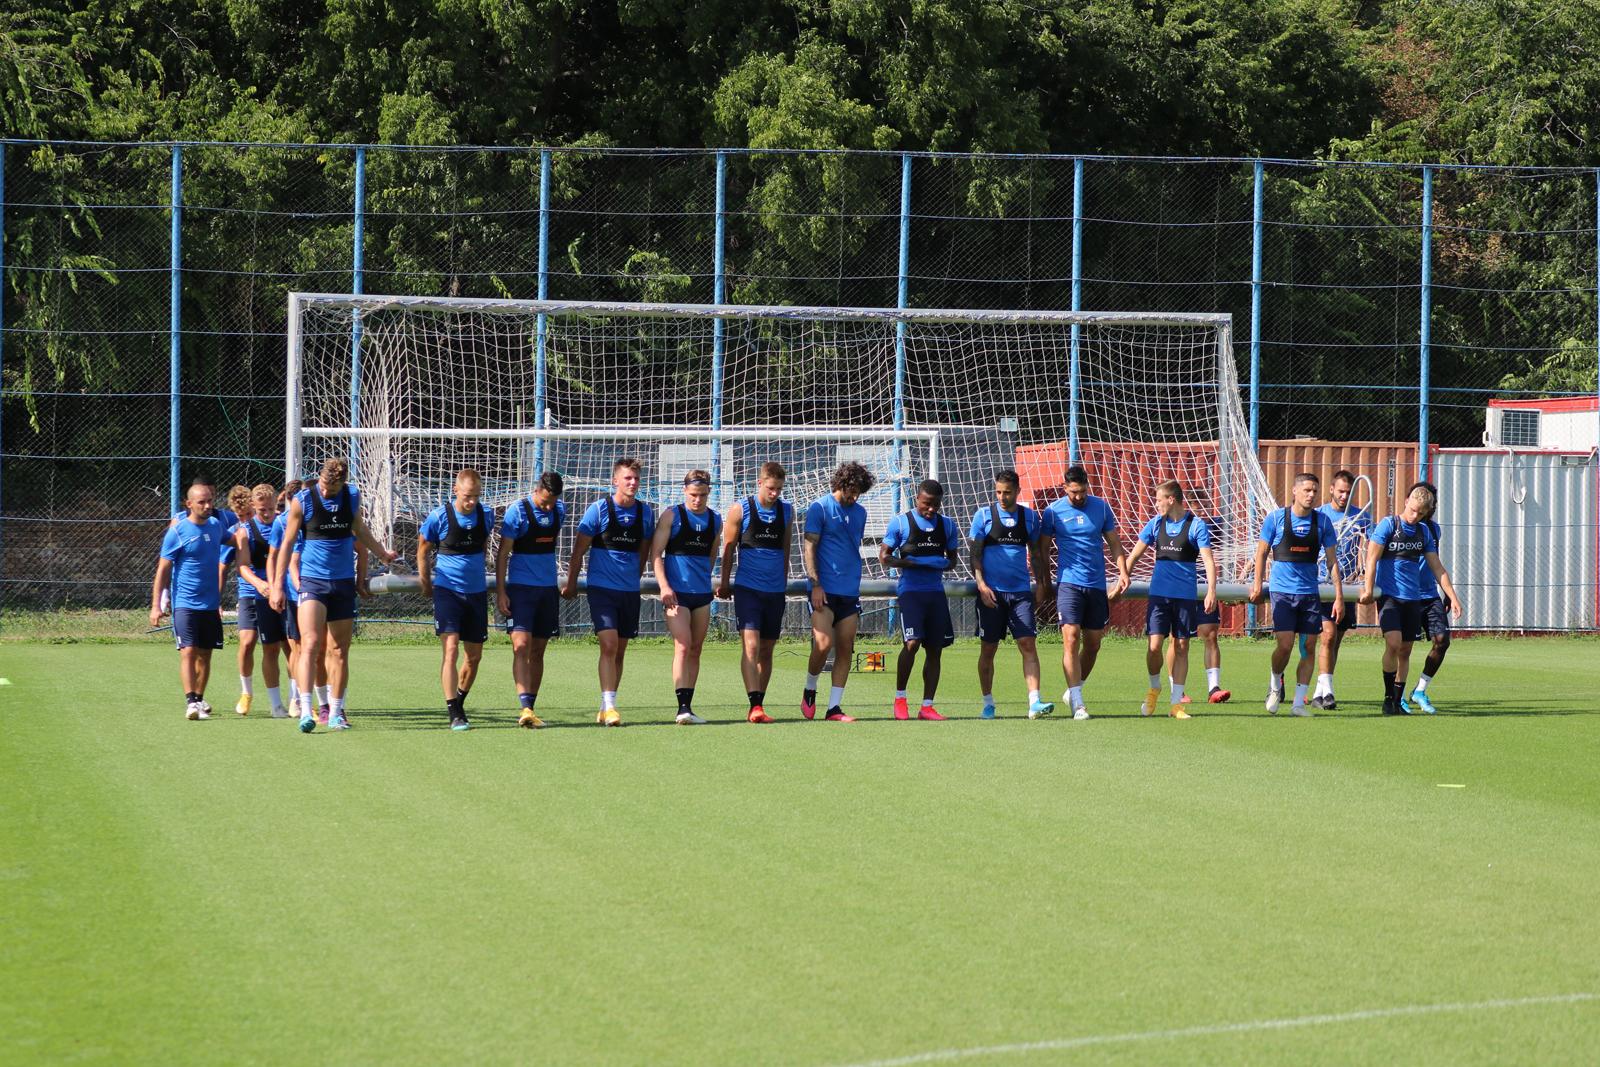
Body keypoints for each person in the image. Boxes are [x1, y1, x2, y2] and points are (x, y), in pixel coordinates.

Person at [268, 457, 398, 733]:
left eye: (333, 488)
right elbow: (287, 544)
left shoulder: (351, 496)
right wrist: (277, 585)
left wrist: (382, 554)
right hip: (313, 582)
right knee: (310, 644)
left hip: (342, 583)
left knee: (339, 650)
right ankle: (306, 710)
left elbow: (360, 529)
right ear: (320, 478)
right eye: (324, 486)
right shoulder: (303, 500)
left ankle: (337, 712)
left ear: (343, 483)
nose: (327, 492)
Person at [564, 458, 655, 726]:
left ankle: (606, 706)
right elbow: (578, 551)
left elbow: (644, 552)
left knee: (620, 651)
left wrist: (633, 579)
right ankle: (611, 705)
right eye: (627, 478)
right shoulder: (598, 509)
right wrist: (571, 583)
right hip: (602, 589)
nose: (633, 483)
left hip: (629, 591)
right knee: (609, 645)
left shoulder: (646, 513)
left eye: (636, 478)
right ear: (615, 480)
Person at [1359, 483, 1463, 715]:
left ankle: (1398, 701)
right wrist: (1368, 589)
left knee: (1405, 650)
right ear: (1406, 502)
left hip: (1412, 599)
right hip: (1390, 597)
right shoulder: (1389, 525)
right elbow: (1371, 558)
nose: (1414, 516)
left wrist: (1453, 597)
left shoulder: (1424, 532)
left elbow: (1437, 567)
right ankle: (1388, 698)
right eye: (1413, 510)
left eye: (1420, 513)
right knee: (1393, 643)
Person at [1039, 465, 1130, 720]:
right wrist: (1045, 581)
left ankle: (1073, 689)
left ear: (1088, 486)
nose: (1078, 497)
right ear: (1065, 488)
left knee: (1093, 644)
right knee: (1071, 638)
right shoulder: (1053, 512)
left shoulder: (1101, 508)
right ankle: (1078, 703)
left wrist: (1123, 572)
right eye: (1073, 492)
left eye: (1082, 491)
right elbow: (1043, 550)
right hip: (1068, 583)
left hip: (1096, 585)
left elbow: (1114, 543)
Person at [1249, 472, 1342, 717]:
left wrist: (1339, 596)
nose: (1311, 495)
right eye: (1307, 490)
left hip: (1309, 593)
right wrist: (1257, 584)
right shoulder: (1276, 518)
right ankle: (1275, 684)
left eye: (1314, 491)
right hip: (1282, 592)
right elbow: (1261, 553)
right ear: (1294, 491)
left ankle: (1298, 704)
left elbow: (1332, 561)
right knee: (1285, 645)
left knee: (1309, 646)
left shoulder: (1322, 522)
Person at [1125, 481, 1219, 720]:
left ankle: (1176, 704)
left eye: (1159, 500)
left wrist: (1211, 591)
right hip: (1159, 596)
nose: (1156, 504)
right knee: (1154, 646)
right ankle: (1154, 687)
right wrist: (1123, 578)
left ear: (1171, 499)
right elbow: (1134, 556)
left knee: (1182, 646)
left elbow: (1208, 560)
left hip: (1185, 597)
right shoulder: (1156, 524)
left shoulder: (1196, 525)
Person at [969, 470, 1053, 720]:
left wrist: (1041, 584)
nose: (1002, 497)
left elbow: (1036, 554)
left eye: (1007, 492)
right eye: (998, 492)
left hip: (1020, 594)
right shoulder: (983, 516)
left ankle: (1034, 702)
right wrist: (981, 585)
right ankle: (988, 703)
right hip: (991, 595)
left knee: (1028, 644)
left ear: (1017, 491)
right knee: (989, 649)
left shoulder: (1029, 518)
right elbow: (975, 554)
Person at [418, 469, 495, 731]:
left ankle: (459, 702)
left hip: (476, 593)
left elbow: (482, 544)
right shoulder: (439, 517)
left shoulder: (486, 515)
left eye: (476, 496)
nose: (471, 501)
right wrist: (426, 583)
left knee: (474, 657)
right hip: (447, 591)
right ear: (455, 490)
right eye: (467, 496)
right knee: (451, 648)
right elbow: (422, 549)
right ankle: (453, 711)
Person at [717, 461, 793, 724]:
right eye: (771, 488)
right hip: (748, 589)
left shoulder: (787, 511)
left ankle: (760, 702)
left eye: (779, 489)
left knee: (767, 650)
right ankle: (755, 705)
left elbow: (786, 549)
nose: (775, 493)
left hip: (775, 592)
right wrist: (724, 582)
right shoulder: (740, 509)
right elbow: (728, 549)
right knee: (751, 646)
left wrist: (783, 583)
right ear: (760, 483)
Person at [801, 461, 876, 722]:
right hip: (824, 590)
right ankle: (810, 688)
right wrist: (815, 584)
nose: (855, 497)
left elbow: (850, 547)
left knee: (845, 649)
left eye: (859, 493)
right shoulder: (819, 507)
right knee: (823, 644)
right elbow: (809, 547)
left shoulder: (861, 512)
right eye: (852, 491)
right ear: (841, 484)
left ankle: (834, 708)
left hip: (849, 590)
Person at [880, 479, 959, 721]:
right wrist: (909, 563)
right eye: (926, 504)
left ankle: (927, 706)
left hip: (935, 593)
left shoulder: (947, 525)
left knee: (935, 649)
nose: (931, 509)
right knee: (912, 643)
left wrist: (938, 563)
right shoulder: (901, 523)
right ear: (917, 499)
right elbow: (884, 557)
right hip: (911, 592)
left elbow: (952, 561)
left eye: (936, 504)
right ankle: (900, 699)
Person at [650, 470, 723, 724]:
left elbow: (712, 554)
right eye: (693, 494)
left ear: (709, 492)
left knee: (696, 649)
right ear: (684, 491)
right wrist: (664, 586)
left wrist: (703, 579)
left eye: (702, 495)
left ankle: (688, 708)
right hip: (676, 595)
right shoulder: (672, 515)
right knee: (682, 644)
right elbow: (656, 554)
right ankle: (681, 708)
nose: (697, 499)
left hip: (701, 595)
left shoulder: (715, 519)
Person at [495, 470, 566, 728]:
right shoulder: (518, 511)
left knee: (538, 650)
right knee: (521, 645)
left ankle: (531, 708)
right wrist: (501, 591)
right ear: (536, 490)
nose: (548, 506)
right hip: (521, 589)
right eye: (545, 501)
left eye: (552, 502)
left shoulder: (560, 511)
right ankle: (524, 705)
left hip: (547, 590)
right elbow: (503, 553)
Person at [151, 480, 227, 720]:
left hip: (210, 604)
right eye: (201, 502)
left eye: (210, 501)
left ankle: (200, 698)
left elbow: (236, 539)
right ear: (189, 504)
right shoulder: (178, 531)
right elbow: (163, 569)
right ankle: (191, 702)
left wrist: (247, 539)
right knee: (189, 651)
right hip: (185, 603)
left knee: (206, 654)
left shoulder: (216, 526)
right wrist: (156, 605)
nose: (207, 506)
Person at [1312, 469, 1370, 709]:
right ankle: (1323, 691)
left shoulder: (1361, 516)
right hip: (1321, 585)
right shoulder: (1319, 515)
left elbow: (1370, 545)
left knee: (1335, 640)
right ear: (1331, 490)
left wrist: (1365, 572)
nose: (1344, 496)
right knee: (1326, 635)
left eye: (1348, 492)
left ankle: (1320, 691)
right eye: (1340, 491)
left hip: (1346, 586)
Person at [232, 484, 289, 717]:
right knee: (247, 643)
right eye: (261, 509)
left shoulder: (284, 524)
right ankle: (246, 693)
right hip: (253, 593)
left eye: (270, 509)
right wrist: (260, 584)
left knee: (288, 646)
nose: (266, 513)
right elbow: (242, 567)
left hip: (281, 592)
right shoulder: (244, 531)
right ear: (253, 506)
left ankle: (295, 700)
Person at [1404, 480, 1452, 715]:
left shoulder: (1433, 530)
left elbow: (1435, 563)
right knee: (1404, 648)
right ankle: (1397, 696)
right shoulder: (1397, 526)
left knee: (1442, 640)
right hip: (1406, 595)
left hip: (1429, 594)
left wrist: (1448, 593)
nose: (1427, 509)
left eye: (1431, 504)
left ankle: (1420, 690)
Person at [268, 480, 304, 714]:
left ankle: (319, 700)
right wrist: (276, 587)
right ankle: (296, 698)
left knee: (317, 648)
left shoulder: (313, 520)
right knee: (297, 648)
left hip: (315, 591)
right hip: (292, 594)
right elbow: (273, 557)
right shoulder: (281, 522)